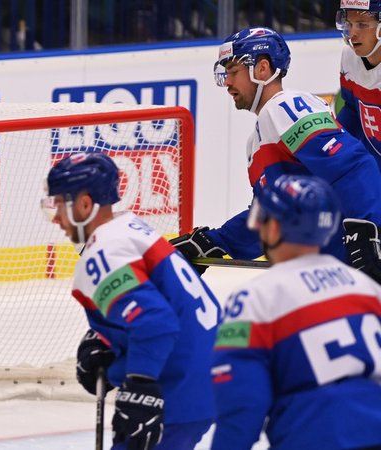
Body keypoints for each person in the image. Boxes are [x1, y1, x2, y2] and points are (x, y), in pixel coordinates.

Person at [170, 26, 381, 285]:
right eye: (225, 73)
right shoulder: (258, 139)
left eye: (234, 72)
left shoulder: (285, 107)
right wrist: (214, 242)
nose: (227, 82)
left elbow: (354, 165)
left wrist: (367, 231)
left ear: (262, 69)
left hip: (354, 270)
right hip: (330, 278)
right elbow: (273, 215)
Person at [43, 152, 220, 450]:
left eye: (59, 205)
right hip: (201, 379)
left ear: (85, 204)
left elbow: (155, 323)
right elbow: (160, 310)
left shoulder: (104, 251)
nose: (57, 218)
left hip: (177, 389)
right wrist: (110, 352)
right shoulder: (131, 229)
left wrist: (140, 387)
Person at [211, 174, 381, 450]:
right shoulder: (366, 287)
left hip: (313, 436)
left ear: (274, 229)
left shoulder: (256, 298)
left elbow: (242, 400)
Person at [335, 0, 381, 170]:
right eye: (349, 24)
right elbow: (352, 109)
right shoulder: (349, 57)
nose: (352, 33)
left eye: (362, 24)